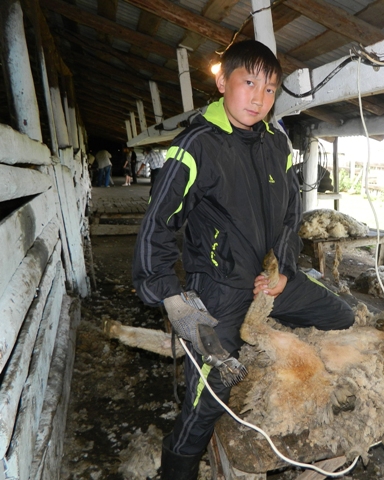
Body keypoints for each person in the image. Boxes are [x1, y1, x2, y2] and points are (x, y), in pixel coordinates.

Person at [132, 40, 354, 480]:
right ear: (221, 82)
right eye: (248, 82)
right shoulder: (196, 144)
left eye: (270, 89)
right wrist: (170, 297)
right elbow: (157, 225)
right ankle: (178, 466)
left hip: (271, 282)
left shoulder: (277, 141)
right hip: (222, 287)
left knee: (342, 316)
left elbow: (291, 215)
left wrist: (285, 273)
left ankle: (277, 368)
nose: (259, 97)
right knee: (210, 392)